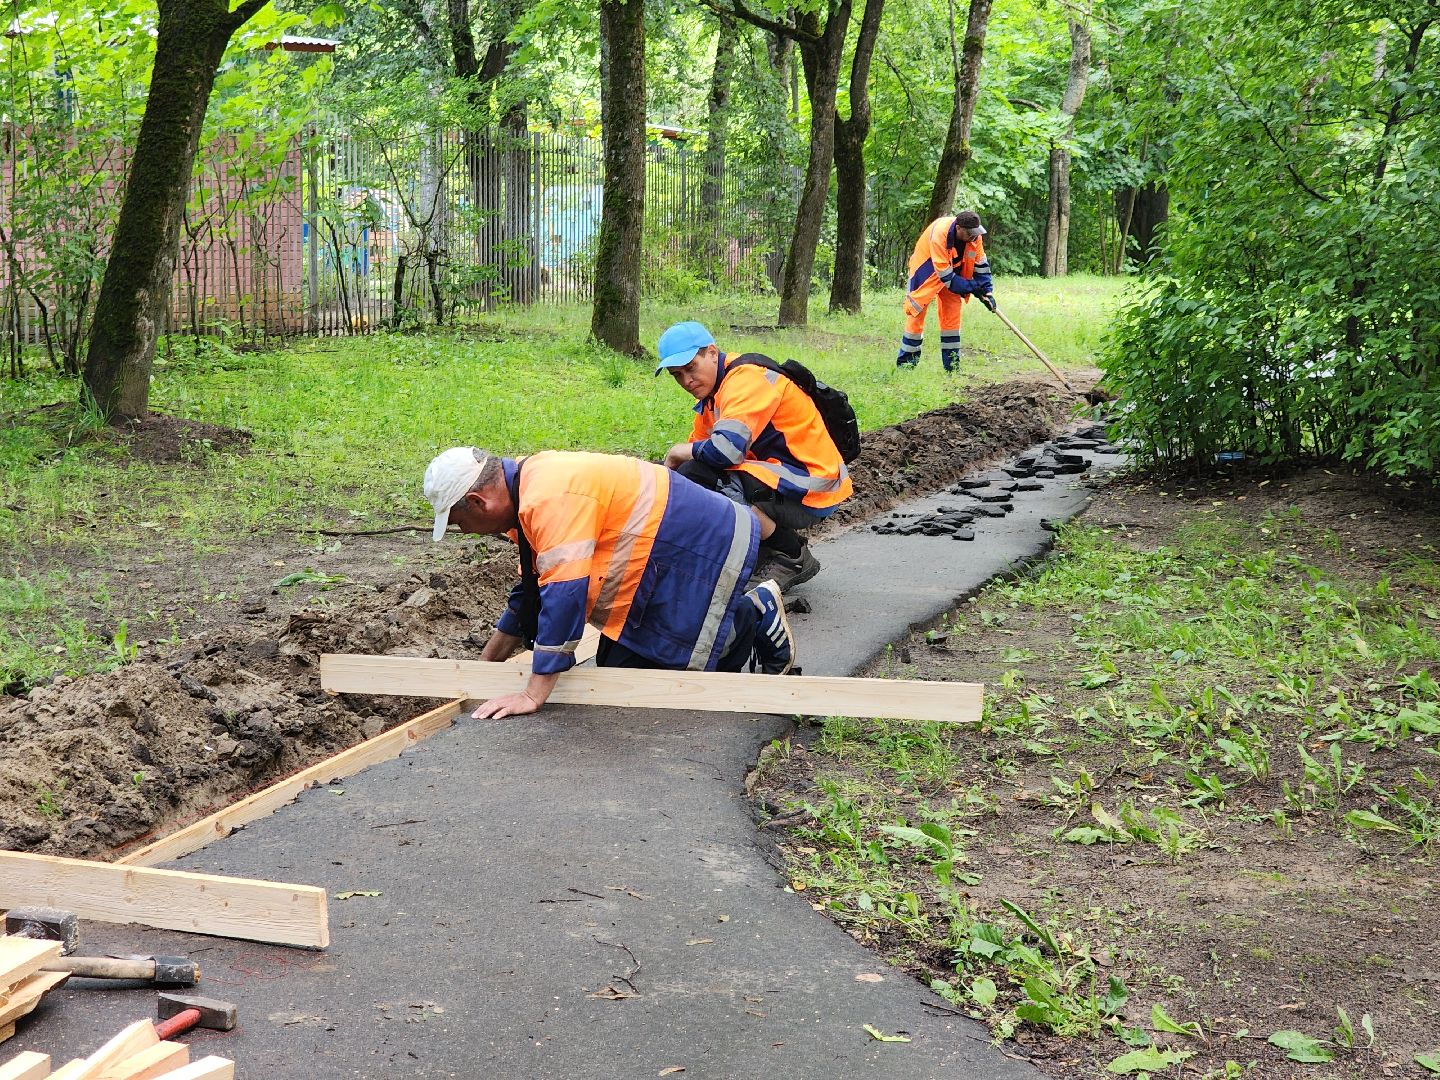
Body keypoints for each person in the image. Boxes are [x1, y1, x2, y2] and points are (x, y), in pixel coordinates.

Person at [423, 446, 797, 719]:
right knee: (618, 673)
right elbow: (532, 594)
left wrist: (534, 694)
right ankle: (743, 616)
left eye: (459, 523)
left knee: (669, 686)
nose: (466, 531)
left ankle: (752, 617)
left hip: (693, 544)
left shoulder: (546, 498)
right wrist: (486, 667)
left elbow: (565, 594)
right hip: (660, 549)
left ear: (477, 501)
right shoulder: (527, 487)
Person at [654, 321, 852, 589]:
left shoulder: (746, 378)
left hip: (812, 488)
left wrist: (678, 453)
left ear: (712, 353)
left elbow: (725, 452)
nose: (686, 380)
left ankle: (790, 554)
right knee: (692, 478)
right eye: (677, 375)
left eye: (690, 368)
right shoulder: (713, 396)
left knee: (702, 478)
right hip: (790, 481)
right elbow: (695, 456)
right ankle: (757, 554)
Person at [896, 209, 995, 372]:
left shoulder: (975, 237)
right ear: (958, 228)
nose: (973, 237)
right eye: (970, 233)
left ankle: (952, 366)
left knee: (952, 318)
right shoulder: (939, 235)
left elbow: (981, 265)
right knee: (916, 313)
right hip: (926, 270)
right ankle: (906, 365)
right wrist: (974, 288)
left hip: (953, 271)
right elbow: (947, 278)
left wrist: (987, 292)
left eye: (975, 233)